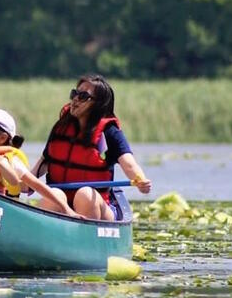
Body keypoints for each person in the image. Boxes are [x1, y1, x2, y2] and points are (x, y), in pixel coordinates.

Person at [31, 74, 152, 220]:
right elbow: (44, 161)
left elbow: (129, 164)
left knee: (85, 194)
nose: (75, 99)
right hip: (62, 203)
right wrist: (25, 183)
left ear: (98, 103)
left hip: (98, 206)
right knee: (53, 195)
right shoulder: (62, 127)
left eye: (83, 96)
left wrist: (140, 180)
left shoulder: (109, 132)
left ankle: (86, 238)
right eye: (74, 94)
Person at [0, 108, 82, 218]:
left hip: (2, 215)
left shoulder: (12, 161)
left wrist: (67, 209)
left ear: (2, 138)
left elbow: (36, 185)